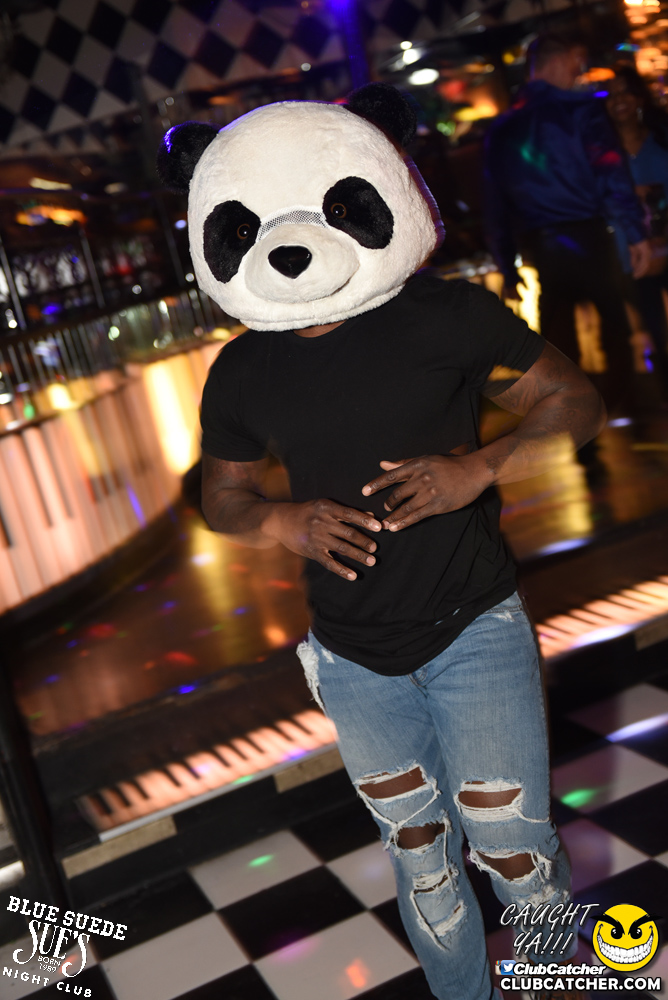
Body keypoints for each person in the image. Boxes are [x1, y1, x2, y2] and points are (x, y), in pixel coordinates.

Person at [160, 85, 605, 1000]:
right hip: (353, 657)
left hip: (473, 626)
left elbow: (575, 403)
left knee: (515, 853)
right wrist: (280, 520)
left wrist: (479, 468)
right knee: (422, 860)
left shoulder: (446, 318)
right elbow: (223, 496)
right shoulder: (242, 369)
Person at [484, 34, 651, 417]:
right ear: (556, 63)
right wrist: (636, 232)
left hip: (542, 245)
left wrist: (506, 264)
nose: (578, 74)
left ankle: (578, 421)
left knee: (559, 343)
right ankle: (618, 409)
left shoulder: (503, 127)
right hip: (589, 236)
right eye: (576, 65)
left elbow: (496, 205)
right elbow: (610, 173)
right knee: (614, 328)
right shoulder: (581, 110)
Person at [606, 63, 668, 396]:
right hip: (631, 251)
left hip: (666, 239)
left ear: (639, 98)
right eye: (612, 94)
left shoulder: (660, 138)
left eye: (625, 92)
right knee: (654, 327)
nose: (619, 100)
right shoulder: (602, 152)